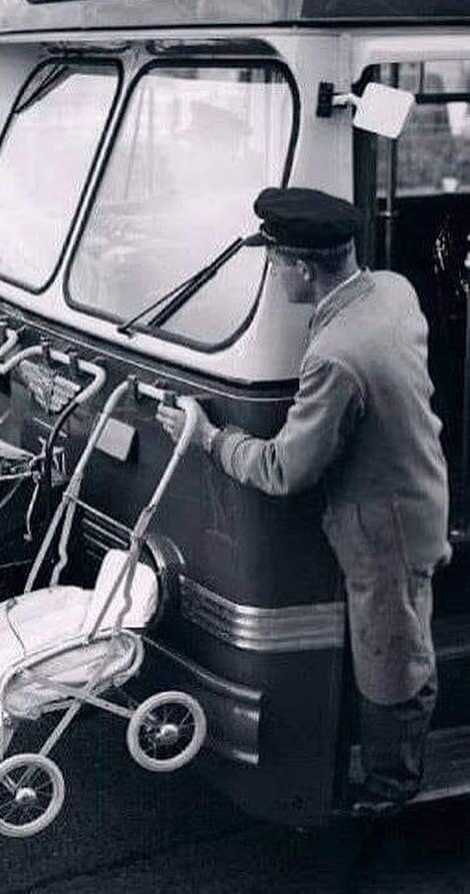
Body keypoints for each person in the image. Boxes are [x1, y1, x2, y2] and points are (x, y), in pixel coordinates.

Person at [157, 186, 451, 820]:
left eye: (273, 261)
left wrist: (212, 438)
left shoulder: (336, 357)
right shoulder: (392, 292)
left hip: (385, 530)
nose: (271, 272)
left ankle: (390, 791)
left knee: (391, 659)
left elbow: (286, 469)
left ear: (300, 267)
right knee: (392, 643)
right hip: (414, 496)